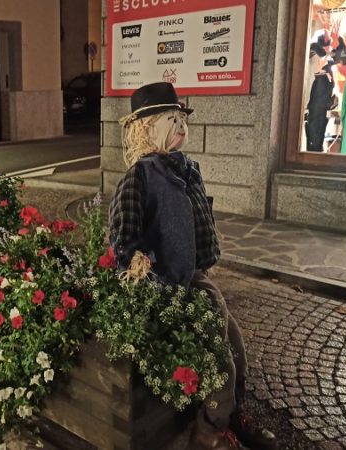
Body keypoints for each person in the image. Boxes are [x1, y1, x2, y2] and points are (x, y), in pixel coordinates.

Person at [108, 82, 276, 450]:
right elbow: (123, 236)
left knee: (234, 343)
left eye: (182, 119)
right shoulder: (140, 176)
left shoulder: (187, 168)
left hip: (194, 276)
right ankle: (209, 431)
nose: (181, 127)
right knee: (219, 357)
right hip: (169, 283)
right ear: (147, 129)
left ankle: (234, 413)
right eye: (171, 121)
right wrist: (150, 277)